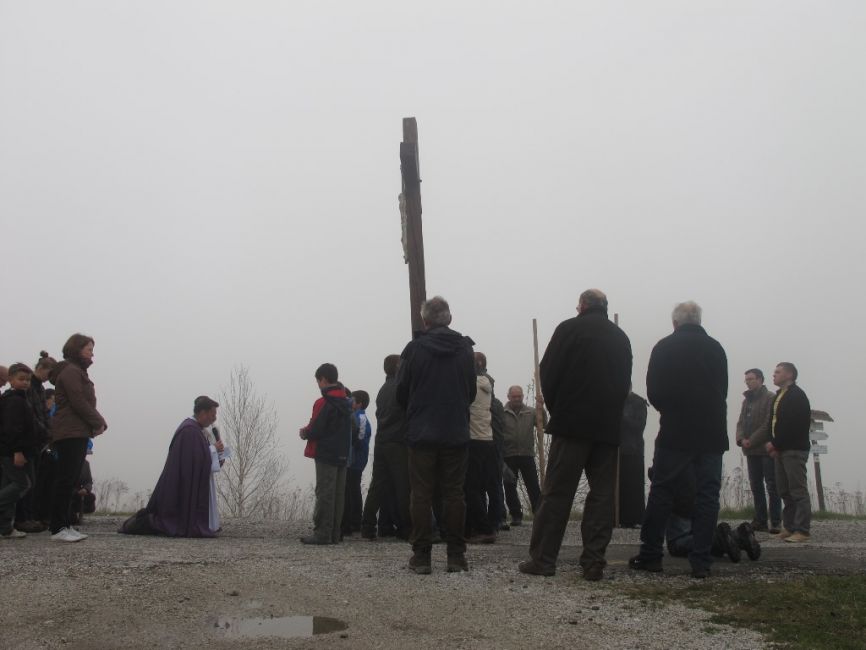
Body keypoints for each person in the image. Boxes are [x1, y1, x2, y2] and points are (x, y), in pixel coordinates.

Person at [519, 289, 632, 582]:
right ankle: (594, 561)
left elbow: (548, 372)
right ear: (605, 307)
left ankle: (543, 559)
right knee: (602, 496)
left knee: (557, 493)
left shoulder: (568, 329)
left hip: (571, 425)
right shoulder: (620, 337)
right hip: (607, 428)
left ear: (582, 305)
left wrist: (558, 408)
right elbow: (624, 383)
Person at [629, 301, 728, 579]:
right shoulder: (716, 348)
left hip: (676, 430)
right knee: (707, 495)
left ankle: (651, 555)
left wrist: (672, 410)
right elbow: (722, 389)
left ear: (675, 322)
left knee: (662, 491)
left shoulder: (664, 347)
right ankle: (701, 560)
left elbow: (654, 392)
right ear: (699, 321)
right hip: (711, 432)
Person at [396, 296, 476, 574]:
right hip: (455, 431)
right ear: (449, 318)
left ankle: (421, 557)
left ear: (425, 320)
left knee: (421, 494)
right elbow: (470, 391)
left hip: (422, 433)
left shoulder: (414, 349)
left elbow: (401, 391)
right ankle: (456, 556)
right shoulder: (465, 349)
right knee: (454, 493)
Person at [119, 396, 222, 537]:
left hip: (186, 479)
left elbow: (197, 455)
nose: (214, 419)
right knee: (171, 521)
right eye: (213, 414)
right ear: (203, 413)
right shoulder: (189, 430)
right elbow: (194, 458)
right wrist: (213, 449)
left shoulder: (195, 429)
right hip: (184, 482)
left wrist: (215, 452)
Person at [47, 334, 107, 543]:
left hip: (77, 431)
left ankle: (65, 524)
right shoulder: (71, 371)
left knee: (71, 479)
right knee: (65, 479)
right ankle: (58, 527)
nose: (92, 354)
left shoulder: (76, 371)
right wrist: (98, 422)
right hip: (69, 432)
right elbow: (79, 401)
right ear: (77, 349)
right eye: (89, 349)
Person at [299, 363, 353, 545]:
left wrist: (305, 433)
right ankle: (335, 534)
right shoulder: (346, 402)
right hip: (343, 453)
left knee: (325, 493)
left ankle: (322, 533)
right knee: (338, 494)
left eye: (318, 381)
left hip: (326, 453)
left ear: (323, 379)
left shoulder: (325, 402)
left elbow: (316, 429)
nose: (318, 385)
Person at [360, 355, 411, 541]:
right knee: (403, 486)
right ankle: (406, 528)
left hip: (382, 440)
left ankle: (367, 525)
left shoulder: (383, 389)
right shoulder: (402, 388)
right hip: (398, 442)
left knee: (378, 485)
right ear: (398, 366)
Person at [765, 362, 812, 543]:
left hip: (794, 449)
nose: (774, 375)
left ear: (789, 375)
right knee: (784, 490)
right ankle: (790, 527)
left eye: (778, 372)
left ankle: (802, 530)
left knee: (797, 491)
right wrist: (772, 443)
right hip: (781, 449)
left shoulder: (797, 395)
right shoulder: (779, 395)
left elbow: (792, 424)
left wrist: (775, 443)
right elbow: (774, 422)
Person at [15, 351, 56, 533]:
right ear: (40, 368)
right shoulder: (30, 385)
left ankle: (30, 516)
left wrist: (49, 431)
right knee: (27, 481)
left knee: (34, 480)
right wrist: (45, 431)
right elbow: (31, 413)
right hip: (30, 439)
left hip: (39, 439)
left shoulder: (39, 387)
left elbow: (44, 413)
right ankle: (22, 518)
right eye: (49, 373)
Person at [735, 368, 781, 533]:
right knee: (755, 485)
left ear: (760, 379)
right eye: (746, 379)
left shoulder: (770, 397)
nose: (748, 382)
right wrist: (741, 439)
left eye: (751, 379)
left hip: (765, 449)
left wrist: (752, 440)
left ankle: (776, 521)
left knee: (772, 485)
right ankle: (760, 520)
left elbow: (768, 423)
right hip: (750, 450)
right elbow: (740, 422)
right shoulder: (746, 400)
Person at [0, 363, 38, 539]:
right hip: (11, 452)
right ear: (10, 379)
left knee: (9, 487)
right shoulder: (13, 401)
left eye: (28, 380)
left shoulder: (22, 399)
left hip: (15, 451)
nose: (25, 383)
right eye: (21, 379)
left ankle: (5, 527)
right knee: (22, 484)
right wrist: (17, 451)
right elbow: (12, 429)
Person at [464, 352, 499, 544]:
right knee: (481, 486)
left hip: (473, 439)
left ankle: (484, 529)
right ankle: (478, 527)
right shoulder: (486, 383)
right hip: (487, 439)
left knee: (470, 488)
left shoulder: (471, 385)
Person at [502, 385, 542, 527]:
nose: (517, 399)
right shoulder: (501, 413)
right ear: (509, 397)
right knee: (509, 486)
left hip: (527, 455)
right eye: (514, 396)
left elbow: (543, 424)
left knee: (533, 485)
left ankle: (539, 514)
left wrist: (541, 408)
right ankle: (516, 515)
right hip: (508, 455)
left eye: (519, 396)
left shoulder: (530, 412)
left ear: (523, 396)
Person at [342, 390, 371, 536]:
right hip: (354, 459)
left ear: (359, 403)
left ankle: (355, 521)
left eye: (352, 400)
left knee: (353, 489)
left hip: (356, 460)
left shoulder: (361, 418)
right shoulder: (355, 416)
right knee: (352, 488)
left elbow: (360, 438)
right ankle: (353, 520)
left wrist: (351, 450)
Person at [618, 390, 648, 528]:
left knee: (634, 487)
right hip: (618, 450)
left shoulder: (639, 403)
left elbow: (639, 426)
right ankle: (618, 516)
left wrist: (623, 417)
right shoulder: (616, 399)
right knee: (620, 486)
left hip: (633, 450)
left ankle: (634, 518)